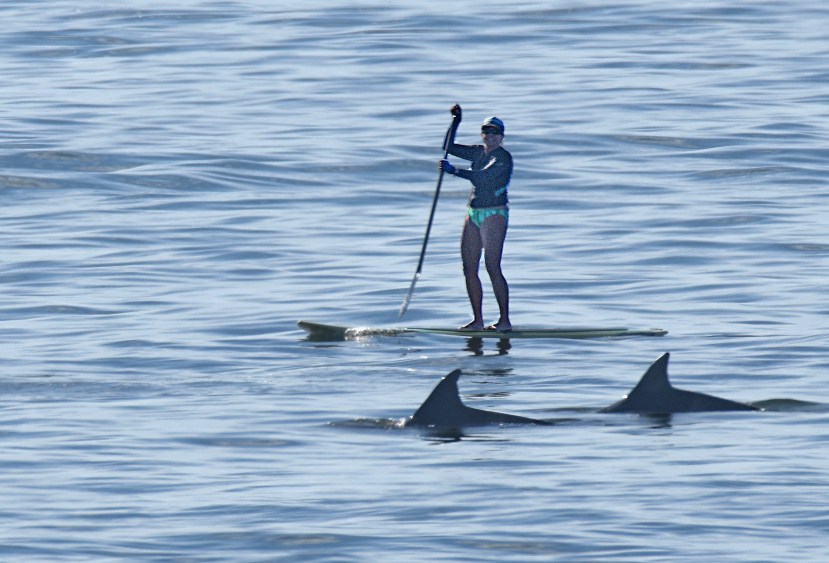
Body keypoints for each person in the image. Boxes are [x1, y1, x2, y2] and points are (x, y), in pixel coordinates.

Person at [439, 104, 513, 332]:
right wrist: (456, 121)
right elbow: (447, 146)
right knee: (469, 268)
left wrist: (454, 171)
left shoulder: (503, 158)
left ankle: (504, 322)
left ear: (501, 137)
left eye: (494, 134)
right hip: (473, 213)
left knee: (492, 266)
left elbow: (482, 178)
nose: (490, 137)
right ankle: (477, 321)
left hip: (494, 213)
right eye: (486, 133)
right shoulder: (477, 152)